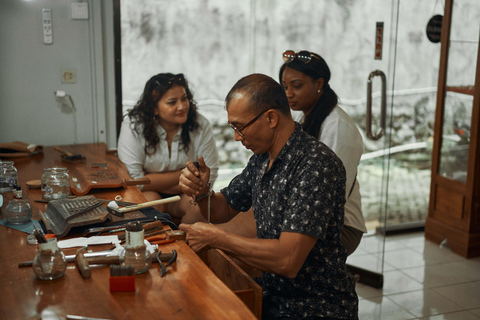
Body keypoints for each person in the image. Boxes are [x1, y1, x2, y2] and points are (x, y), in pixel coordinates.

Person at [179, 74, 358, 320]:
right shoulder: (262, 159)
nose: (236, 137)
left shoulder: (315, 164)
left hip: (315, 306)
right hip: (275, 296)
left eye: (239, 127)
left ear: (271, 118)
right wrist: (201, 192)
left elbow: (288, 260)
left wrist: (217, 238)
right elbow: (220, 211)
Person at [280, 50, 367, 255]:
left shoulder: (337, 126)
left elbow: (329, 193)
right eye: (285, 87)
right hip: (311, 218)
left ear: (319, 84)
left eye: (297, 86)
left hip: (340, 226)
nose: (288, 94)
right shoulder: (306, 119)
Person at [117, 73, 219, 224]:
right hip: (151, 193)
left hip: (186, 194)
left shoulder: (200, 124)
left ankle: (189, 245)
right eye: (172, 102)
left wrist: (150, 177)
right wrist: (185, 175)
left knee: (200, 206)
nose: (182, 106)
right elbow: (135, 181)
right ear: (154, 108)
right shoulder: (133, 126)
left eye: (184, 98)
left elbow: (208, 176)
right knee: (149, 203)